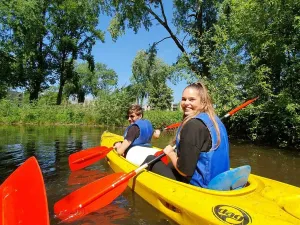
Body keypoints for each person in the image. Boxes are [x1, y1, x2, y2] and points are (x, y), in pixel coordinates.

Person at [143, 82, 230, 188]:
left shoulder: (193, 125)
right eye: (184, 99)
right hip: (219, 181)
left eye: (191, 99)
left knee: (150, 159)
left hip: (201, 186)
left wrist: (170, 153)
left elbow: (184, 171)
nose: (186, 103)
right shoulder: (215, 120)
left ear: (203, 102)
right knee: (170, 165)